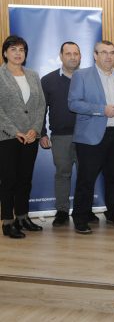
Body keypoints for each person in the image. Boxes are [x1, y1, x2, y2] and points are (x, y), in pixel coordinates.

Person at [68, 40, 114, 234]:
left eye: (112, 52)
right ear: (95, 55)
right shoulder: (81, 75)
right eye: (104, 52)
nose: (108, 56)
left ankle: (113, 213)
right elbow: (73, 103)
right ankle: (80, 217)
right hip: (91, 137)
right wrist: (100, 110)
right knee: (86, 179)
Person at [40, 42, 99, 227]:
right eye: (68, 53)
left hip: (87, 135)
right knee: (62, 174)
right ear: (61, 56)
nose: (72, 57)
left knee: (87, 175)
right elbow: (41, 110)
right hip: (61, 136)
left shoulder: (90, 78)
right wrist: (42, 133)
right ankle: (62, 211)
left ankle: (85, 210)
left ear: (81, 56)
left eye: (76, 53)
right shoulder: (48, 80)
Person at [0, 35, 46, 239]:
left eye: (21, 50)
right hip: (8, 137)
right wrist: (14, 131)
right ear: (5, 53)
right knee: (8, 180)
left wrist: (35, 130)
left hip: (30, 137)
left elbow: (40, 105)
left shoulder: (33, 75)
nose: (18, 53)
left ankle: (22, 217)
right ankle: (7, 222)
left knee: (25, 179)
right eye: (13, 49)